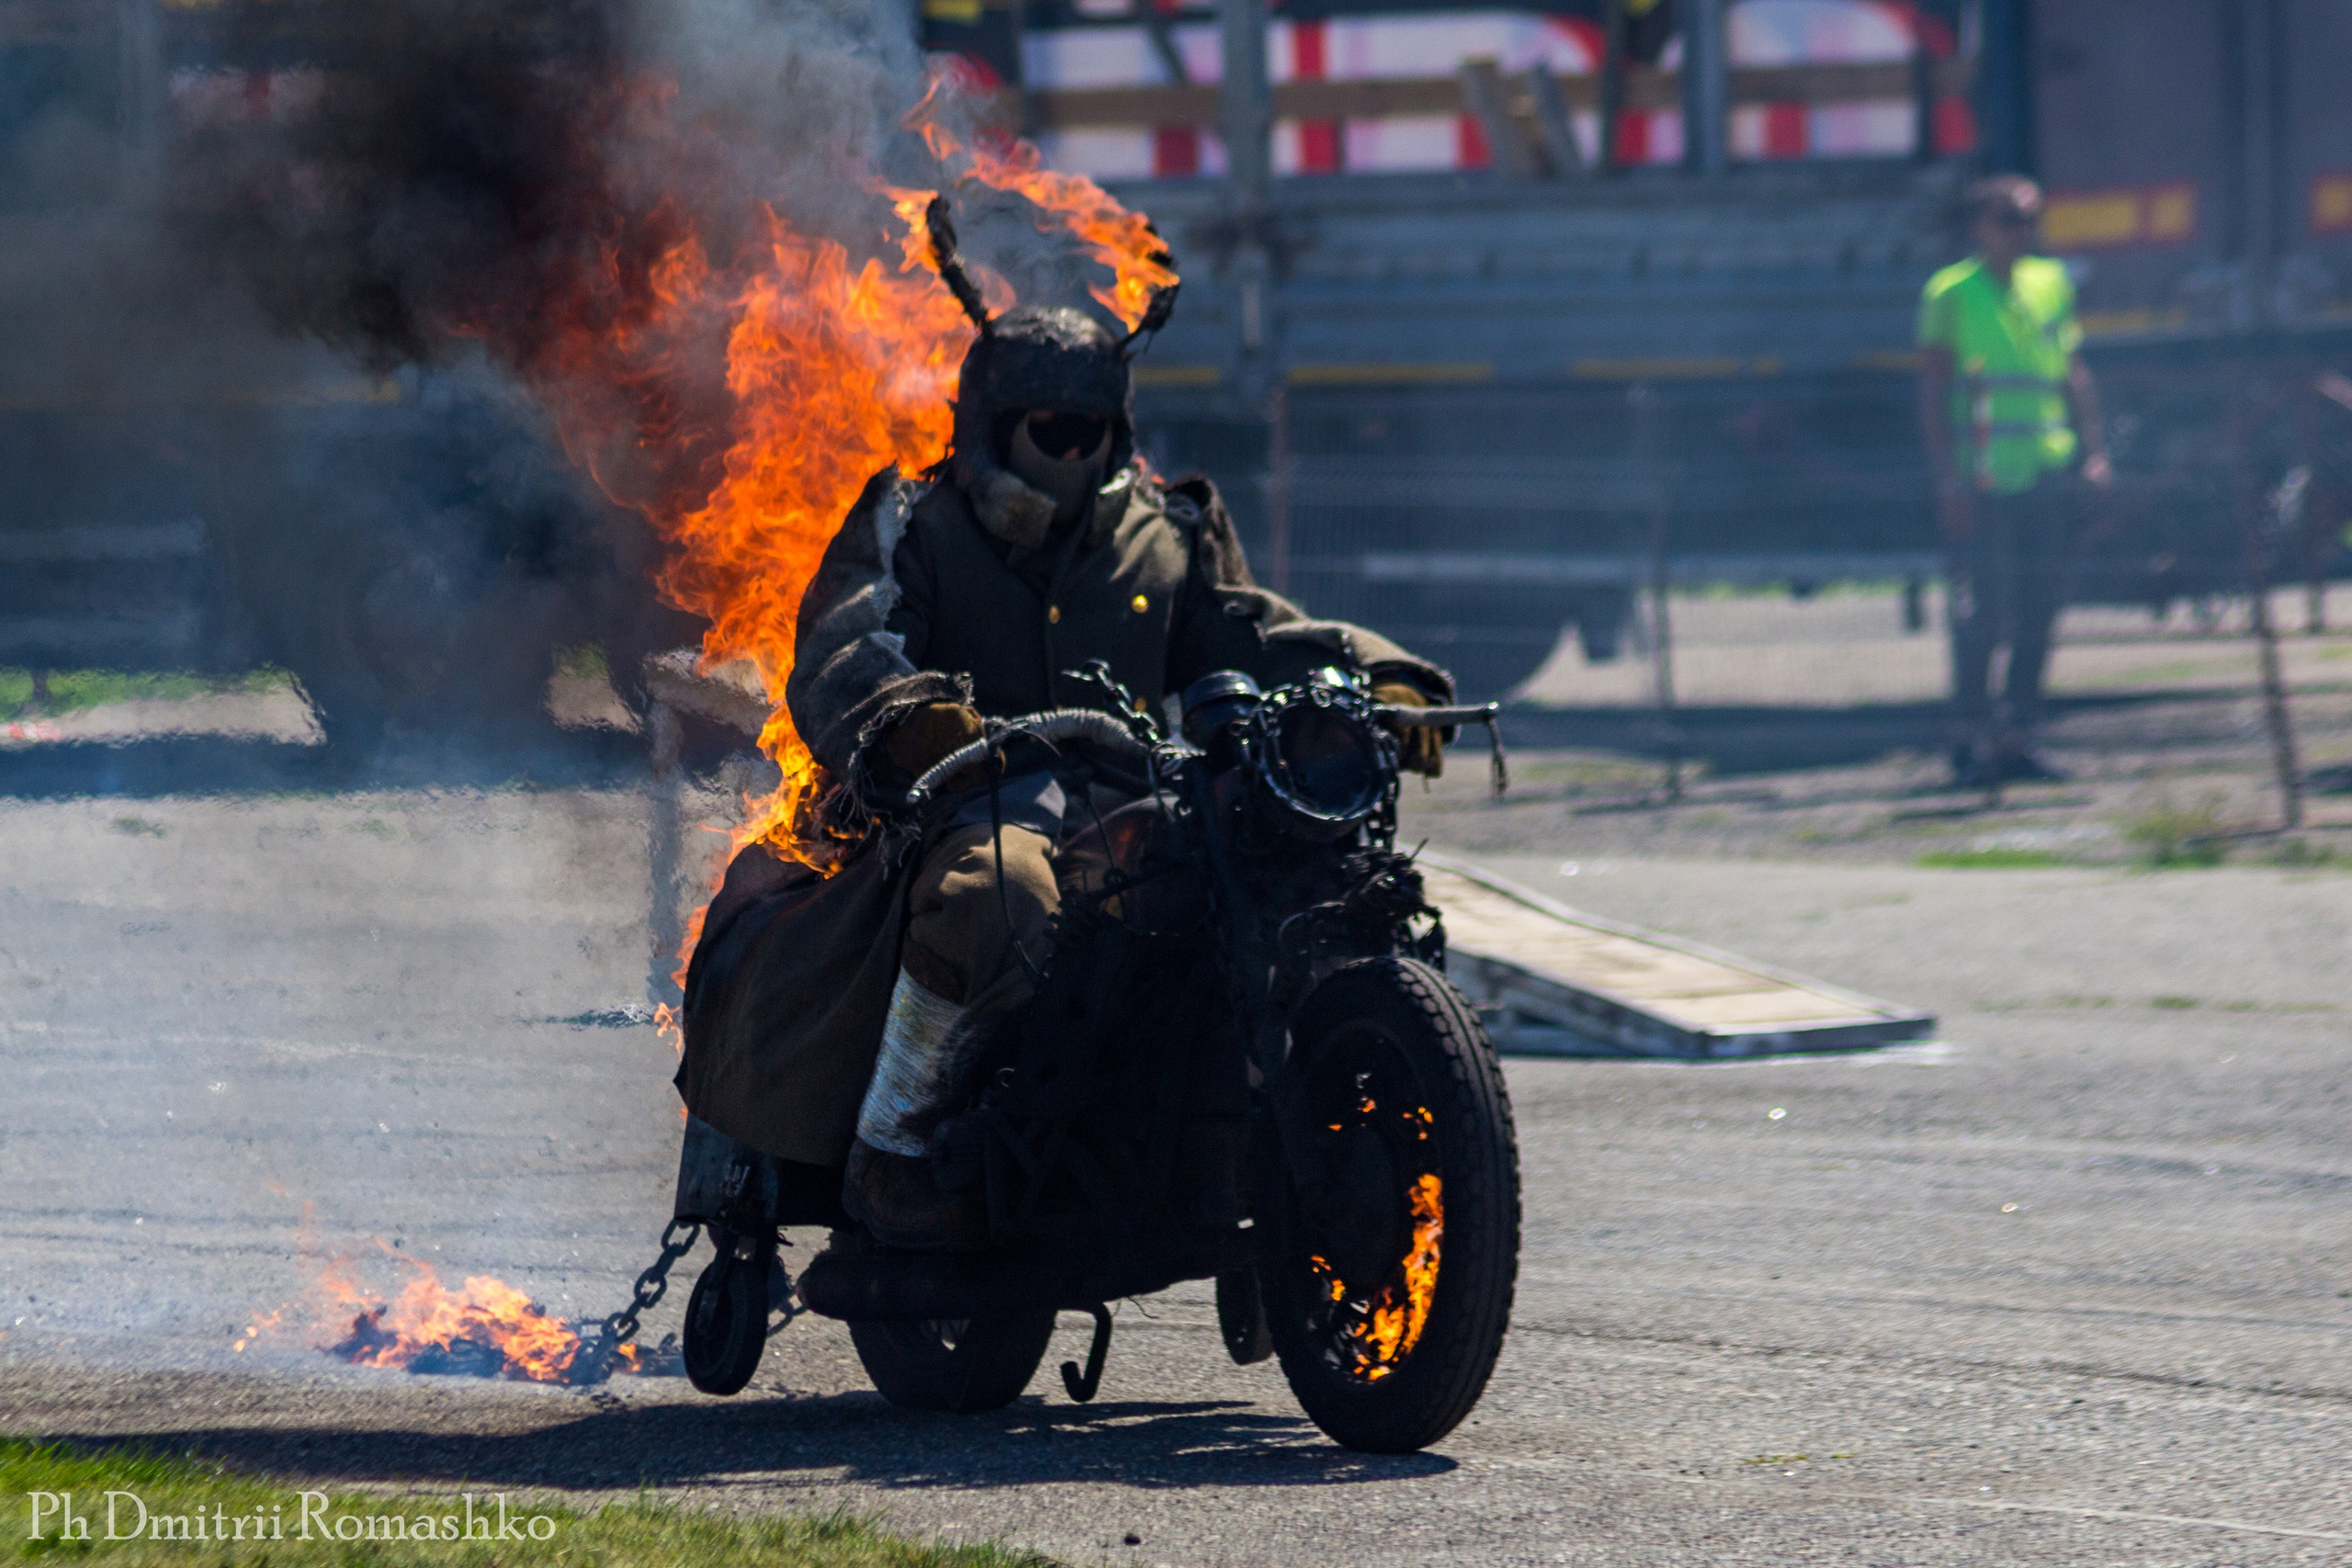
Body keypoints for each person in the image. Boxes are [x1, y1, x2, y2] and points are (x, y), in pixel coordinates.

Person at [685, 224, 1454, 1251]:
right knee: (996, 894)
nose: (1074, 450)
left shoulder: (1166, 534)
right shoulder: (913, 525)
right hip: (961, 808)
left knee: (1298, 880)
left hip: (1139, 810)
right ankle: (894, 1146)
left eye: (1092, 429)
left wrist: (1375, 680)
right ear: (991, 426)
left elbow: (1252, 630)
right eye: (1050, 429)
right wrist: (912, 720)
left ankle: (1269, 1137)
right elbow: (845, 645)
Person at [1917, 174, 2113, 784]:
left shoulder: (2050, 283)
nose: (2022, 231)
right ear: (1980, 227)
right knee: (1984, 614)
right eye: (2009, 219)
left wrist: (2093, 452)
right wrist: (1947, 480)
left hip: (2045, 470)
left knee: (2039, 609)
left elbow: (2072, 371)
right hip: (1984, 479)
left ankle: (2017, 737)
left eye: (2030, 219)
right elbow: (1933, 389)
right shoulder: (1950, 292)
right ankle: (1967, 736)